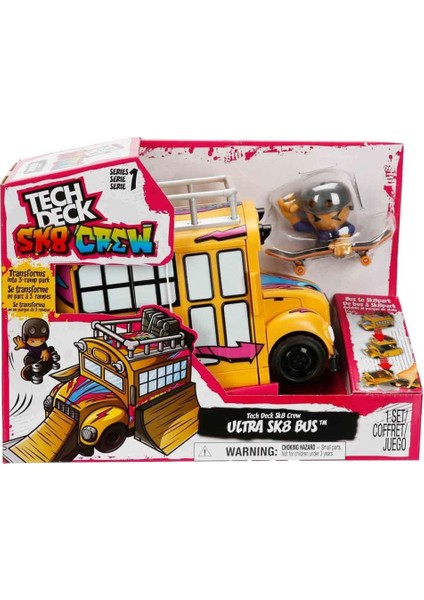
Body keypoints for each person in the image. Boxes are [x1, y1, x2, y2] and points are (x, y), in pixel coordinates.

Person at [278, 181, 355, 257]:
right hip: (319, 254)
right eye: (317, 218)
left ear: (348, 209)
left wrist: (343, 240)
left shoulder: (345, 229)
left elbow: (346, 233)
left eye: (334, 217)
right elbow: (300, 227)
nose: (325, 221)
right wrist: (292, 217)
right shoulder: (318, 230)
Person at [13, 318, 60, 383]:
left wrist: (45, 351)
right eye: (32, 341)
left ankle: (44, 362)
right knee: (27, 359)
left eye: (41, 340)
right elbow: (27, 346)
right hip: (33, 357)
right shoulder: (28, 345)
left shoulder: (43, 346)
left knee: (50, 349)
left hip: (42, 356)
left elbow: (44, 348)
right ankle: (33, 366)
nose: (37, 343)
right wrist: (22, 345)